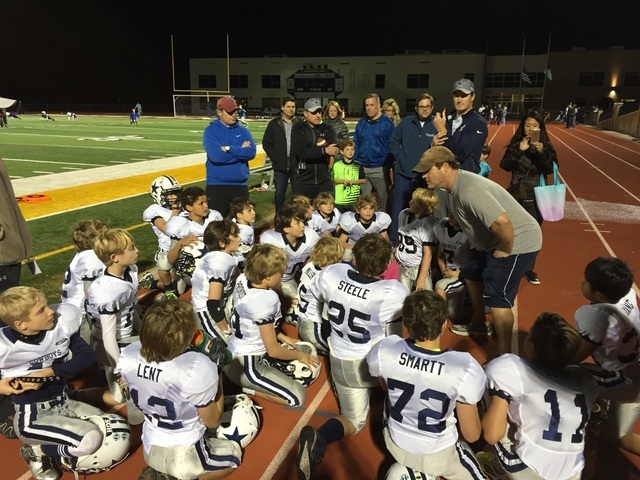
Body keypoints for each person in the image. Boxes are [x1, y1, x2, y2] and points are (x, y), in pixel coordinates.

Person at [295, 233, 409, 480]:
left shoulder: (332, 273)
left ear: (355, 259)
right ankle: (403, 443)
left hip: (339, 359)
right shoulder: (392, 291)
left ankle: (321, 437)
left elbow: (312, 299)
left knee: (352, 420)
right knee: (400, 385)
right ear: (385, 265)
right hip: (372, 366)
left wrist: (323, 326)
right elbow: (394, 339)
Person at [413, 146, 542, 356]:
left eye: (428, 170)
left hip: (517, 243)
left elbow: (502, 222)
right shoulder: (455, 187)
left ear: (444, 167)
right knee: (472, 272)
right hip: (491, 244)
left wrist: (505, 249)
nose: (423, 175)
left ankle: (504, 356)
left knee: (498, 297)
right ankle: (479, 324)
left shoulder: (468, 189)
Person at [367, 290, 487, 480]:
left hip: (395, 441)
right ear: (443, 325)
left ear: (407, 324)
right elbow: (471, 435)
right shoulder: (464, 367)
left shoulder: (385, 350)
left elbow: (384, 387)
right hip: (438, 454)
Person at [117, 299, 242, 480]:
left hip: (150, 445)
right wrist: (217, 371)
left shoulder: (129, 354)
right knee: (234, 456)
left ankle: (161, 473)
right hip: (186, 452)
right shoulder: (196, 368)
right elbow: (213, 421)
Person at [0, 286, 106, 480]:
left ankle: (51, 448)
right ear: (21, 324)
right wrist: (4, 386)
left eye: (46, 305)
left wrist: (48, 373)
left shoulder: (61, 324)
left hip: (63, 401)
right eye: (41, 310)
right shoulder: (3, 346)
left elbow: (87, 356)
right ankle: (40, 451)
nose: (51, 312)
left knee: (108, 427)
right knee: (91, 440)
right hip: (33, 414)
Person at [482, 312, 600, 480]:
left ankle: (497, 469)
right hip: (573, 471)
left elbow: (492, 435)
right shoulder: (584, 379)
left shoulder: (510, 367)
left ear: (532, 344)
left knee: (492, 386)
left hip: (531, 469)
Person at [224, 244, 320, 407]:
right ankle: (245, 388)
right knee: (297, 398)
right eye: (279, 273)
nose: (281, 276)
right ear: (267, 276)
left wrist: (282, 337)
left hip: (232, 351)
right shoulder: (266, 299)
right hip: (248, 366)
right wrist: (300, 356)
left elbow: (253, 323)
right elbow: (273, 350)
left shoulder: (243, 279)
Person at [573, 256, 640, 457]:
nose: (581, 283)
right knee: (616, 435)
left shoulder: (596, 316)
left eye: (585, 282)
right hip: (634, 369)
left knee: (569, 373)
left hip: (626, 381)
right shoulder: (625, 292)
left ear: (600, 294)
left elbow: (575, 357)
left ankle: (587, 411)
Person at [85, 229, 143, 411]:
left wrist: (143, 332)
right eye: (131, 248)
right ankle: (75, 396)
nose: (137, 250)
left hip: (127, 335)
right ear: (114, 257)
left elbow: (129, 308)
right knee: (120, 396)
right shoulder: (108, 289)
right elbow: (109, 336)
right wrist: (120, 369)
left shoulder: (130, 270)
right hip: (111, 343)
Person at [500, 110, 557, 285]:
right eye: (528, 125)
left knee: (533, 233)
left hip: (536, 196)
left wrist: (541, 153)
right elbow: (504, 165)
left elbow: (551, 169)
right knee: (512, 231)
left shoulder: (546, 146)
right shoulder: (517, 144)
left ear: (540, 127)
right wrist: (518, 151)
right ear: (523, 126)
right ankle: (510, 264)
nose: (531, 129)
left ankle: (528, 269)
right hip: (515, 195)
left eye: (535, 126)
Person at [0, 157, 34, 439]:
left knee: (10, 329)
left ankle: (15, 388)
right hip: (1, 253)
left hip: (8, 252)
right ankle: (1, 407)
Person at [388, 93, 437, 244]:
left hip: (425, 176)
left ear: (432, 107)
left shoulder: (436, 124)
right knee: (400, 208)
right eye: (421, 106)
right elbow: (393, 142)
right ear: (416, 108)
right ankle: (395, 240)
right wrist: (401, 159)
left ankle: (422, 240)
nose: (424, 109)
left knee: (424, 209)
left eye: (427, 106)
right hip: (404, 173)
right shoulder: (406, 122)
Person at [260, 206, 320, 315]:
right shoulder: (272, 241)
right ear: (286, 228)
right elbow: (268, 274)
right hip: (276, 281)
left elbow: (311, 259)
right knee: (296, 309)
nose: (303, 225)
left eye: (302, 221)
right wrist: (281, 297)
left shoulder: (311, 236)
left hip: (296, 275)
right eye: (297, 223)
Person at [204, 96, 257, 218]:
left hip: (240, 186)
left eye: (235, 111)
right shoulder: (210, 131)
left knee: (241, 226)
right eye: (230, 112)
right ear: (219, 112)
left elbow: (251, 153)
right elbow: (216, 156)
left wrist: (229, 149)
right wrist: (240, 152)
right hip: (217, 186)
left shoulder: (243, 131)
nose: (234, 114)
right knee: (217, 227)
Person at [191, 219, 240, 343]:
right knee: (228, 350)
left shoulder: (225, 256)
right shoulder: (219, 262)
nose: (239, 238)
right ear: (222, 243)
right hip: (207, 311)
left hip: (222, 302)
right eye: (235, 235)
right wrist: (225, 329)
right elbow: (212, 303)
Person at [165, 186, 223, 290]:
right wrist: (179, 244)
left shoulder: (213, 217)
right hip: (192, 270)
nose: (206, 206)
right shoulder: (180, 225)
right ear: (189, 207)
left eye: (206, 202)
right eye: (201, 203)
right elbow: (170, 259)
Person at [60, 219, 108, 343]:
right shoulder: (92, 257)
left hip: (73, 308)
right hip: (81, 313)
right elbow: (90, 292)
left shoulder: (84, 255)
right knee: (89, 349)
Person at [296, 237, 345, 355]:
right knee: (337, 354)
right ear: (334, 259)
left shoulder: (310, 266)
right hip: (314, 328)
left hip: (301, 319)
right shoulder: (325, 278)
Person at [432, 79, 488, 174]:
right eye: (456, 96)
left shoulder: (477, 123)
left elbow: (460, 154)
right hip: (443, 177)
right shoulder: (448, 119)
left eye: (464, 95)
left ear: (472, 97)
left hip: (464, 178)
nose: (459, 100)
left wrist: (442, 130)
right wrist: (433, 144)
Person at [353, 93, 395, 214]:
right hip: (363, 168)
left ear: (379, 105)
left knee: (385, 201)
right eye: (367, 105)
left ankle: (386, 228)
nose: (369, 108)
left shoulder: (387, 124)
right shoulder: (362, 123)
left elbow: (392, 145)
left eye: (372, 105)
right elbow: (356, 142)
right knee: (362, 202)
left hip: (380, 168)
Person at [291, 98, 339, 201]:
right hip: (303, 180)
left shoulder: (328, 128)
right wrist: (324, 151)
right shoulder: (298, 129)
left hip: (324, 180)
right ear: (305, 113)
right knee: (301, 214)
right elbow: (302, 153)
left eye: (319, 112)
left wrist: (329, 162)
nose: (318, 115)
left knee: (326, 214)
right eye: (314, 112)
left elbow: (333, 150)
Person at [142, 175, 183, 295]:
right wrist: (176, 211)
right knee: (175, 291)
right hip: (167, 250)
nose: (174, 197)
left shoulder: (183, 206)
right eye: (169, 194)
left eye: (176, 193)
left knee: (184, 286)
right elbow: (166, 229)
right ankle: (156, 284)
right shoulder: (154, 210)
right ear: (158, 194)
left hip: (184, 248)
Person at [395, 188, 439, 292]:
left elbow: (428, 254)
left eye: (414, 201)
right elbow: (400, 237)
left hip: (417, 268)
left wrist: (421, 278)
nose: (410, 202)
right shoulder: (404, 214)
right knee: (401, 300)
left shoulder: (427, 224)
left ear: (422, 206)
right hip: (401, 265)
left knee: (424, 302)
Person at [262, 97, 300, 212]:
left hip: (296, 166)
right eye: (288, 106)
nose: (291, 109)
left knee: (297, 196)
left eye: (293, 107)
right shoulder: (274, 124)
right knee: (279, 195)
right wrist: (275, 158)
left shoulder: (300, 124)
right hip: (280, 167)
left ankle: (297, 218)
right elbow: (266, 143)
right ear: (282, 108)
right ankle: (279, 218)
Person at [433, 211, 472, 325]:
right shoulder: (441, 227)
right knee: (455, 315)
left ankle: (439, 323)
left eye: (455, 215)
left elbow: (477, 263)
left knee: (440, 286)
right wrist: (445, 271)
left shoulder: (469, 233)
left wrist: (457, 274)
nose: (451, 216)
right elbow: (440, 255)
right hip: (450, 273)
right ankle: (462, 299)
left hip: (466, 274)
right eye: (450, 213)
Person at [332, 137, 365, 213]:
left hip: (354, 200)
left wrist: (353, 182)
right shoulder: (336, 164)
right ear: (342, 151)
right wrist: (342, 181)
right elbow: (332, 179)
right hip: (340, 201)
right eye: (347, 149)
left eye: (352, 149)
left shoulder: (358, 165)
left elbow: (363, 180)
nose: (350, 152)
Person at [228, 196, 257, 269]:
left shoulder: (242, 222)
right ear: (239, 215)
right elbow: (243, 254)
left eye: (253, 209)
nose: (254, 213)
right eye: (249, 210)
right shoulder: (242, 234)